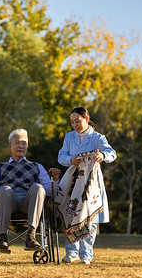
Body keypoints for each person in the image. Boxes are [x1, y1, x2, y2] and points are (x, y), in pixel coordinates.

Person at [50, 107, 116, 265]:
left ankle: (86, 254)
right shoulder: (69, 137)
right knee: (71, 213)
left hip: (91, 183)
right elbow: (61, 156)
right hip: (73, 181)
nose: (75, 125)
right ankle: (71, 252)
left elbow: (112, 153)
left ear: (86, 119)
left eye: (77, 121)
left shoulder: (98, 137)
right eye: (72, 122)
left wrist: (102, 155)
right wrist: (71, 160)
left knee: (89, 216)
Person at [0, 129, 60, 250]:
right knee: (5, 189)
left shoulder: (37, 167)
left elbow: (50, 192)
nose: (21, 146)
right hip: (8, 202)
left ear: (27, 146)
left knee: (38, 187)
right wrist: (2, 193)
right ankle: (2, 237)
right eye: (17, 143)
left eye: (24, 143)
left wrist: (55, 179)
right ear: (10, 146)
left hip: (28, 202)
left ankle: (31, 235)